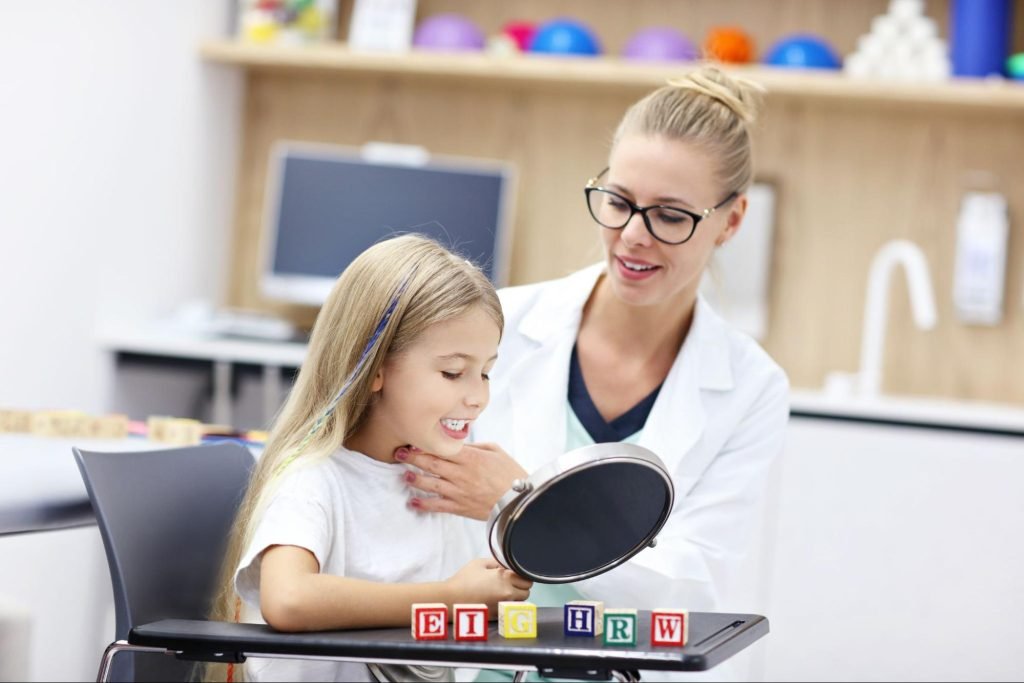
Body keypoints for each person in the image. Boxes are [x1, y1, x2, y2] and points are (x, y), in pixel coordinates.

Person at [396, 65, 790, 678]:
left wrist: (514, 500)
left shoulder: (751, 389)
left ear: (731, 221)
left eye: (671, 216)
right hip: (465, 663)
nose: (633, 236)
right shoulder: (498, 323)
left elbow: (687, 590)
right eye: (619, 201)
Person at [207, 234, 532, 683]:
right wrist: (453, 597)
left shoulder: (433, 480)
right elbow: (289, 599)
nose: (477, 396)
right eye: (453, 372)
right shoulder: (313, 479)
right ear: (374, 367)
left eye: (486, 373)